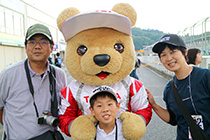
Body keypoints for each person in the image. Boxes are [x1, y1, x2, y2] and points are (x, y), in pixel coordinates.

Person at [0, 23, 67, 139]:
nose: (37, 46)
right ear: (25, 47)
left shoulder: (59, 74)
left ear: (51, 48)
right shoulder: (8, 74)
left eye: (43, 42)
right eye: (32, 42)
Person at [147, 34, 210, 139]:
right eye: (163, 55)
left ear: (185, 52)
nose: (169, 58)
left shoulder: (205, 77)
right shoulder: (169, 88)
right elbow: (173, 119)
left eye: (172, 52)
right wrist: (154, 105)